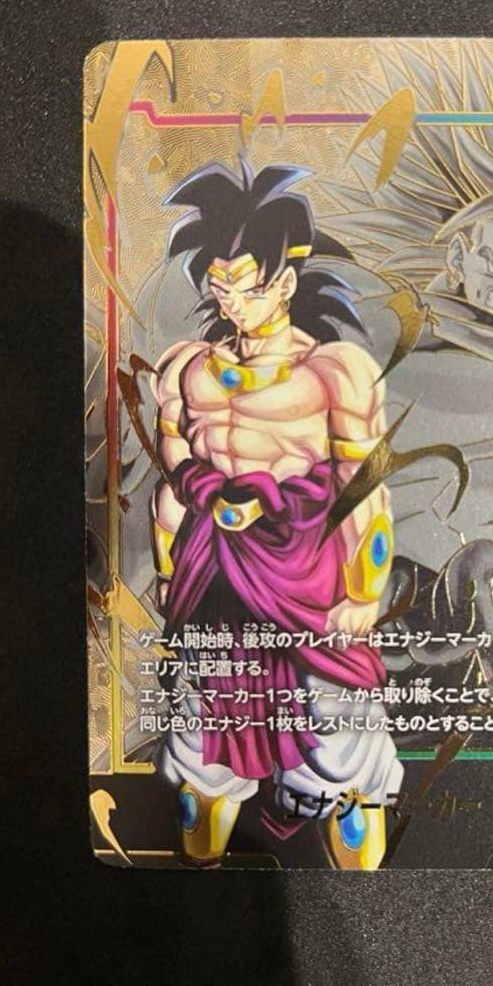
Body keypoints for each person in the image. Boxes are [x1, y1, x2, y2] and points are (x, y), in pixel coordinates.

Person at [150, 159, 402, 869]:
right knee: (203, 752)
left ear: (285, 283)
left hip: (306, 574)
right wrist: (173, 562)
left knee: (341, 759)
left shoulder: (334, 372)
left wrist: (362, 593)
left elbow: (364, 487)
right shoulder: (187, 367)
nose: (232, 302)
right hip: (211, 577)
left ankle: (369, 901)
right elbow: (172, 466)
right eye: (220, 285)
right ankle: (191, 904)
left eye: (248, 285)